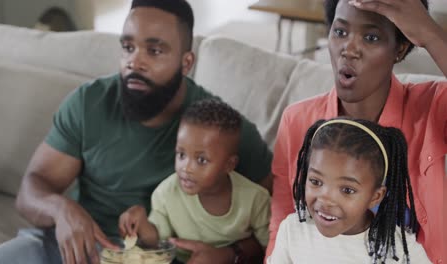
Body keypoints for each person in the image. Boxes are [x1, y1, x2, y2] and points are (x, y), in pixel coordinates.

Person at [0, 1, 272, 264]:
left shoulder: (218, 129)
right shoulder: (88, 103)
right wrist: (61, 210)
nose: (135, 61)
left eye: (155, 50)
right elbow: (31, 189)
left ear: (186, 63)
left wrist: (231, 254)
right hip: (78, 249)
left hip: (159, 256)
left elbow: (279, 217)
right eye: (128, 47)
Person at [268, 0, 447, 262]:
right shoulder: (297, 120)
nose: (349, 49)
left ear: (400, 48)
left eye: (371, 37)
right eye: (340, 32)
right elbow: (283, 221)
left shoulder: (432, 105)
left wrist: (430, 33)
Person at [119, 99, 270, 263]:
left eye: (201, 160)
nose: (186, 168)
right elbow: (157, 242)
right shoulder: (166, 193)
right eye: (181, 155)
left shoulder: (256, 199)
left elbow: (271, 248)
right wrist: (141, 224)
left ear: (229, 165)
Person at [268, 118, 431, 264]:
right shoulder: (292, 230)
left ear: (375, 196)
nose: (325, 199)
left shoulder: (399, 249)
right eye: (315, 181)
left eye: (347, 190)